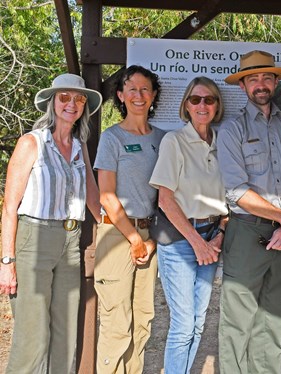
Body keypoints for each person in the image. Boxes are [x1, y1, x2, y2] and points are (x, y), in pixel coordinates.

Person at [0, 73, 101, 373]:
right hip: (35, 239)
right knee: (33, 338)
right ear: (52, 102)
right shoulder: (31, 143)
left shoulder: (80, 146)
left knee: (65, 335)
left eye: (78, 98)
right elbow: (10, 207)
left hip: (70, 243)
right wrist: (7, 260)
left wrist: (128, 232)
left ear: (84, 104)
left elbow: (94, 202)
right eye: (64, 97)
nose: (72, 104)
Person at [216, 50, 281, 374]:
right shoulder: (232, 130)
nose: (260, 84)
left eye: (266, 77)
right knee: (237, 323)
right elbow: (236, 190)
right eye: (252, 78)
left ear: (275, 82)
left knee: (273, 319)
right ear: (242, 86)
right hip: (247, 232)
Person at [149, 76, 229, 373]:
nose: (202, 105)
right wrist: (198, 243)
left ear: (217, 105)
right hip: (181, 242)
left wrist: (217, 238)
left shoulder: (222, 145)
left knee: (198, 324)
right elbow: (165, 200)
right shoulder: (175, 141)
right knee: (182, 326)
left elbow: (229, 200)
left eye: (209, 99)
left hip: (211, 241)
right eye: (195, 99)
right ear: (186, 104)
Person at [93, 65, 165, 373]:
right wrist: (135, 239)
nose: (139, 95)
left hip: (150, 238)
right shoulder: (112, 139)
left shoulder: (163, 139)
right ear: (121, 96)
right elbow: (106, 195)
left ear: (154, 95)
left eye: (145, 89)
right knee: (116, 323)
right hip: (117, 236)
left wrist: (149, 242)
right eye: (132, 89)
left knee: (143, 320)